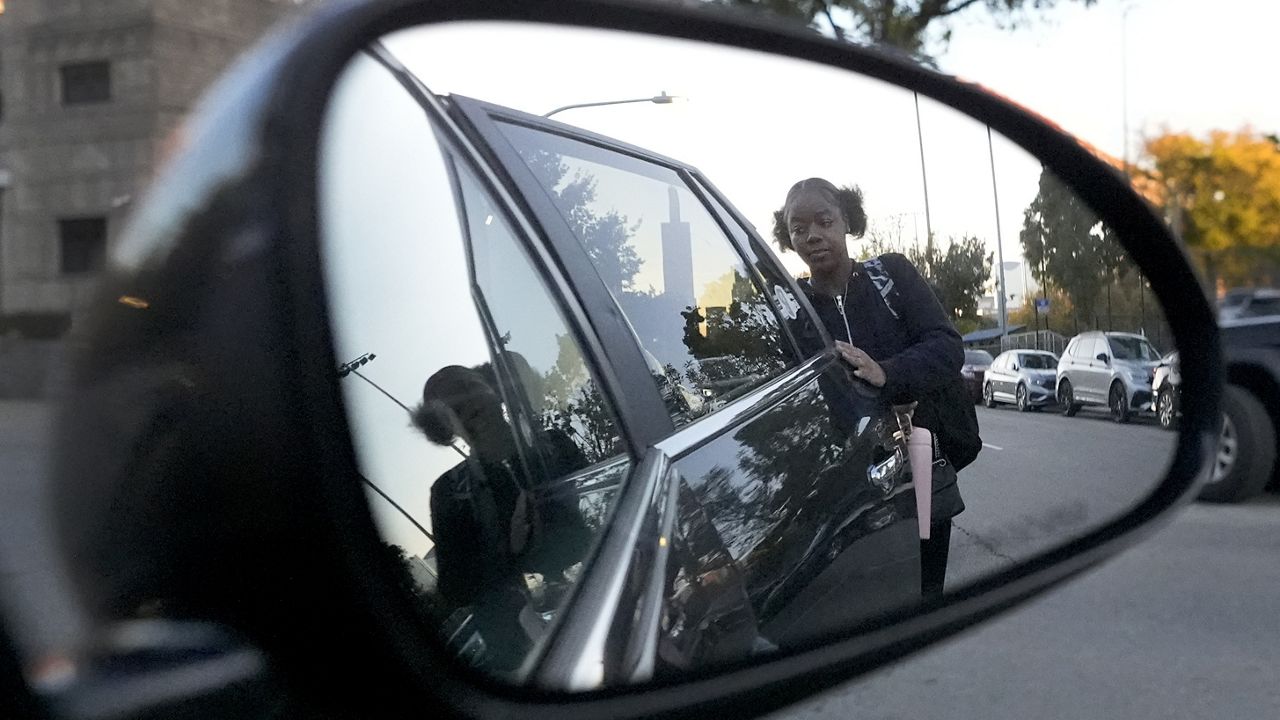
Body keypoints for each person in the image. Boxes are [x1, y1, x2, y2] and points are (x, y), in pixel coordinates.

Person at [774, 177, 966, 599]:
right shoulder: (792, 310)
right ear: (788, 239)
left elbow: (948, 347)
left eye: (824, 221)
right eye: (798, 228)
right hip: (845, 492)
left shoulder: (891, 274)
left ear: (847, 221)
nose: (812, 236)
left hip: (919, 469)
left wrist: (888, 372)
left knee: (923, 596)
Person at [411, 363, 591, 671]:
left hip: (593, 595)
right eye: (451, 407)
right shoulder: (449, 492)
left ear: (495, 390)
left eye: (469, 386)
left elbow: (597, 513)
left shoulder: (553, 444)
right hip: (527, 652)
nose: (466, 403)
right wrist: (508, 548)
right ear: (444, 429)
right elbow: (456, 588)